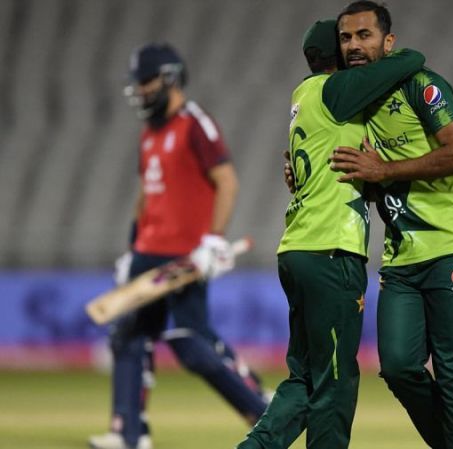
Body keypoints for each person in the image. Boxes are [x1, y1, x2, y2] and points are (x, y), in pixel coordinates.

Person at [235, 20, 425, 449]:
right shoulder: (337, 92)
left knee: (305, 378)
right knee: (335, 382)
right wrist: (383, 51)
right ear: (338, 60)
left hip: (299, 248)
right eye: (348, 44)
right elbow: (413, 60)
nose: (356, 50)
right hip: (331, 250)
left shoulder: (303, 96)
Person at [328, 3, 453, 449]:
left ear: (388, 42)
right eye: (346, 39)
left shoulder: (422, 85)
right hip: (403, 256)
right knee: (399, 366)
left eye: (364, 35)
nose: (354, 46)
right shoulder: (352, 103)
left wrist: (386, 170)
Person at [89, 43, 270, 449]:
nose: (139, 91)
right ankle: (129, 435)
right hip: (148, 252)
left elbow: (228, 182)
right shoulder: (150, 133)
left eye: (146, 82)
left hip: (185, 256)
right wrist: (131, 249)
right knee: (129, 339)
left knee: (190, 342)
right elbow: (147, 196)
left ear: (169, 78)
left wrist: (211, 241)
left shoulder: (194, 123)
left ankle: (264, 411)